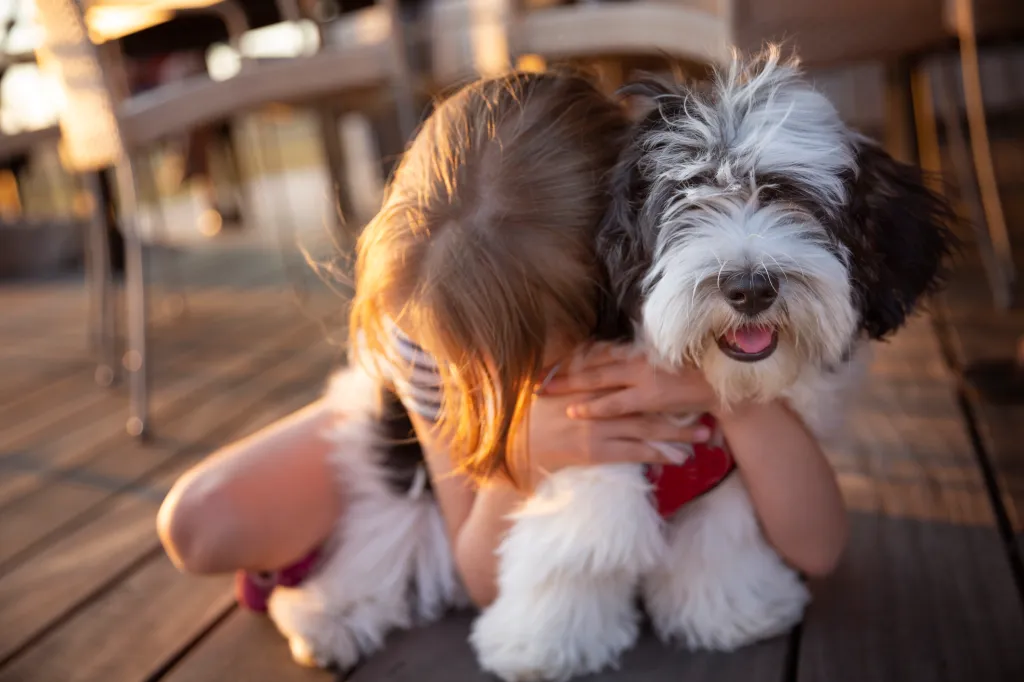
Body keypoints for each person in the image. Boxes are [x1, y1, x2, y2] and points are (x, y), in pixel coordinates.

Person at [158, 70, 847, 615]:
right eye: (472, 361)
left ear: (615, 268)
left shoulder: (700, 298)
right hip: (448, 452)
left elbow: (818, 550)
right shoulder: (431, 314)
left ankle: (347, 556)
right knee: (198, 522)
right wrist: (521, 457)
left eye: (521, 358)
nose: (490, 371)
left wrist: (723, 396)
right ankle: (360, 549)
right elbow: (481, 577)